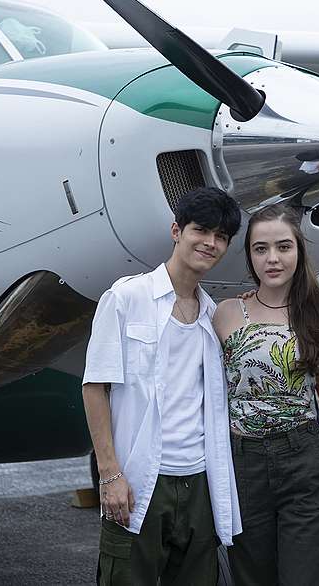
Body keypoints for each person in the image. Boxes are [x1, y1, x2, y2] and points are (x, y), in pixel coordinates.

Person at [82, 187, 243, 585]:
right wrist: (110, 475)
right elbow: (94, 387)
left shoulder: (212, 315)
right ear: (176, 230)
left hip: (200, 480)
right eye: (201, 230)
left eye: (221, 237)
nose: (210, 243)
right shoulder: (126, 297)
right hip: (139, 480)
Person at [212, 203, 319, 586]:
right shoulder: (225, 313)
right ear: (249, 256)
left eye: (283, 247)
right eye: (260, 248)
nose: (273, 258)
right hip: (243, 465)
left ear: (299, 251)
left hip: (303, 459)